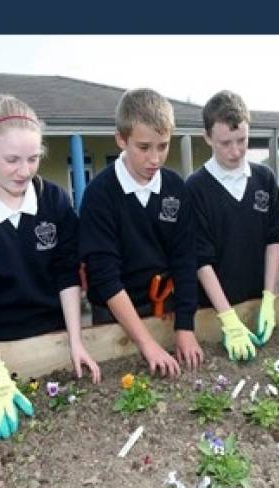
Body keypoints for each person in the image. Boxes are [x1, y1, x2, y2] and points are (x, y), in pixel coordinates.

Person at [0, 94, 100, 440]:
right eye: (12, 160)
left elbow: (66, 275)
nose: (24, 171)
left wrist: (75, 341)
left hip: (51, 335)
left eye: (33, 158)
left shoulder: (55, 200)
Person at [79, 88, 204, 378]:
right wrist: (147, 343)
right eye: (144, 147)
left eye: (163, 146)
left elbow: (185, 260)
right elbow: (104, 277)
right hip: (113, 314)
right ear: (121, 140)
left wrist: (185, 326)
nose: (155, 159)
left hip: (165, 306)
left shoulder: (176, 189)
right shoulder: (100, 195)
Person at [186, 90, 279, 362]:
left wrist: (269, 298)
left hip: (255, 305)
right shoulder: (195, 189)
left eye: (242, 140)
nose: (235, 151)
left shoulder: (264, 178)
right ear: (207, 138)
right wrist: (228, 319)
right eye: (225, 143)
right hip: (214, 312)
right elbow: (200, 260)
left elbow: (273, 240)